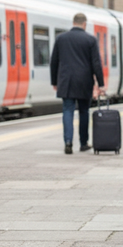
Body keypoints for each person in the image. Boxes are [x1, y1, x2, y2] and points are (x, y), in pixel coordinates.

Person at [50, 12, 105, 154]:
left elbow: (54, 61)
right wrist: (101, 83)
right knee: (84, 112)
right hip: (84, 81)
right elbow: (96, 64)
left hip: (66, 81)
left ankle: (68, 142)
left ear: (73, 22)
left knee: (67, 110)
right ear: (84, 24)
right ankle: (83, 143)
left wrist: (54, 81)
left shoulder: (61, 38)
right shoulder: (90, 40)